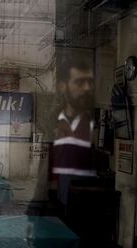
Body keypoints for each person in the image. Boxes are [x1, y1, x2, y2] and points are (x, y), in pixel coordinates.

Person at [51, 58, 96, 207]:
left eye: (89, 82)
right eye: (79, 82)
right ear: (63, 86)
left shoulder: (90, 122)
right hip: (64, 194)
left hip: (87, 199)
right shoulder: (56, 121)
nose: (86, 88)